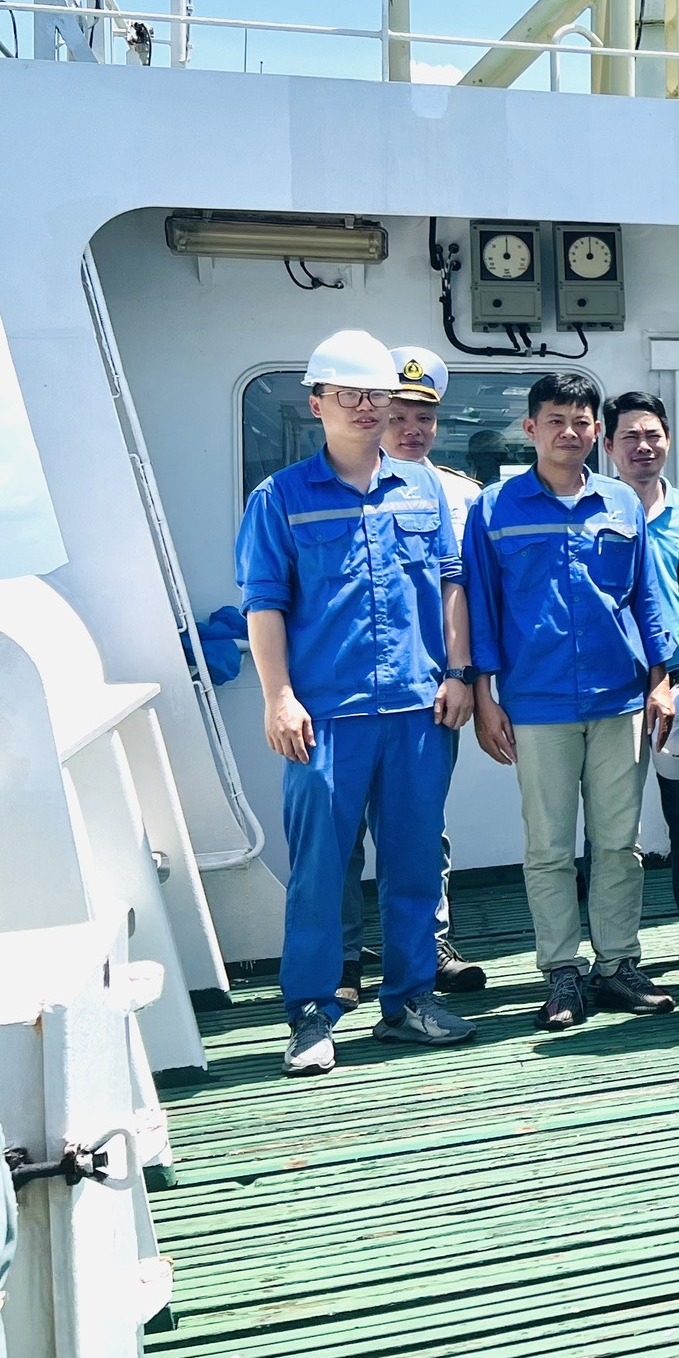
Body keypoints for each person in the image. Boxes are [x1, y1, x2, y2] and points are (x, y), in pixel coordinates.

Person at [237, 329, 477, 1078]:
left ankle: (409, 1001)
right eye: (348, 395)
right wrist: (278, 698)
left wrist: (459, 673)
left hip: (416, 711)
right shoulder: (279, 498)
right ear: (318, 404)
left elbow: (451, 584)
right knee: (319, 870)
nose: (366, 407)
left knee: (415, 864)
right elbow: (264, 604)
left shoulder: (424, 490)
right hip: (326, 717)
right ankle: (311, 1013)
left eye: (376, 395)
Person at [463, 371, 679, 1031]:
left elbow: (646, 597)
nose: (569, 432)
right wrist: (483, 696)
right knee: (549, 847)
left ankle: (617, 965)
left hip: (620, 698)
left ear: (595, 432)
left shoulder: (621, 504)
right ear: (530, 428)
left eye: (581, 421)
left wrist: (661, 678)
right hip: (536, 702)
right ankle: (561, 971)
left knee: (620, 843)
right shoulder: (494, 509)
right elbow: (481, 606)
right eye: (555, 420)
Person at [336, 343, 485, 1008]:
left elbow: (469, 593)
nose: (410, 428)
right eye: (397, 414)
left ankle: (429, 946)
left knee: (422, 830)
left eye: (423, 416)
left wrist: (467, 676)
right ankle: (343, 957)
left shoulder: (461, 497)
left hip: (429, 688)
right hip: (347, 689)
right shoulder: (337, 486)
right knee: (342, 831)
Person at [604, 389, 679, 969]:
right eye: (630, 436)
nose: (643, 446)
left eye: (652, 435)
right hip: (616, 686)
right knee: (612, 823)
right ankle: (612, 949)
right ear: (608, 445)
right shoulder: (594, 513)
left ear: (669, 440)